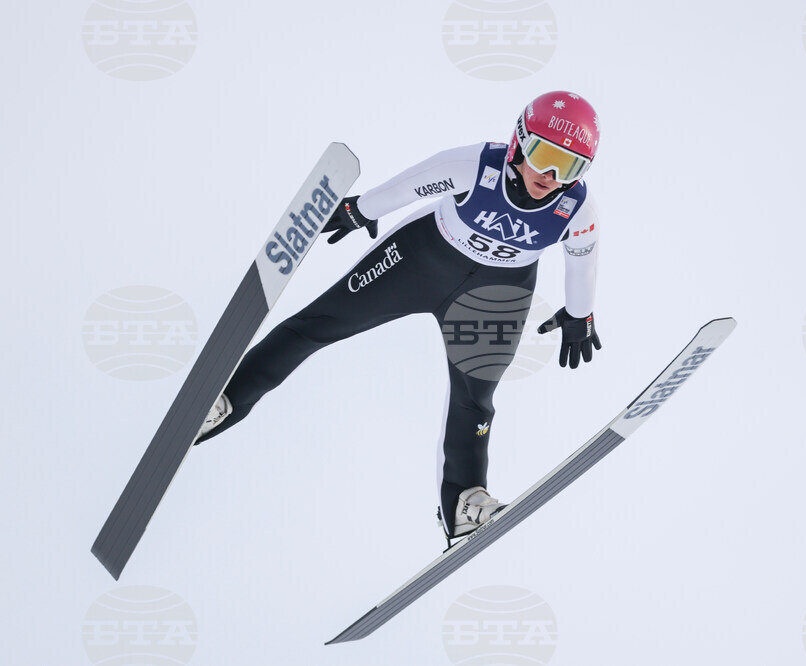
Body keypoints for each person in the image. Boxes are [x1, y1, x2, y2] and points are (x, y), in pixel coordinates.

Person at [196, 91, 603, 540]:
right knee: (319, 325)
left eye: (569, 167)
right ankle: (224, 400)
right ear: (520, 142)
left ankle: (464, 501)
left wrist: (579, 315)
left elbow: (583, 260)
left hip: (494, 298)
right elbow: (414, 184)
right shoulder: (474, 165)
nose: (550, 176)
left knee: (475, 398)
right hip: (420, 261)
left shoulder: (577, 209)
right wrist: (359, 210)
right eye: (544, 156)